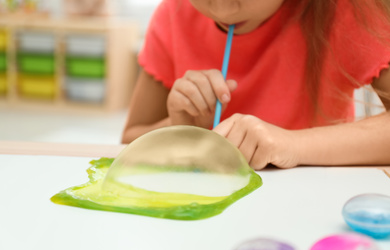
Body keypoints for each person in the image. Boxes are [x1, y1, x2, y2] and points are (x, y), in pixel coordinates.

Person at [121, 0, 390, 170]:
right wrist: (181, 129)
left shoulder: (346, 9)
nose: (222, 9)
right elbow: (130, 140)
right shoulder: (174, 13)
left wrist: (292, 144)